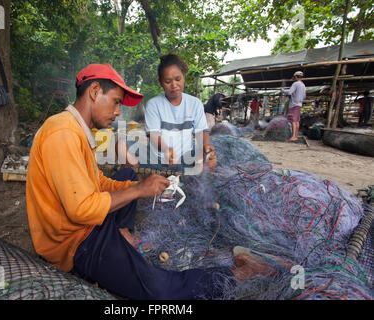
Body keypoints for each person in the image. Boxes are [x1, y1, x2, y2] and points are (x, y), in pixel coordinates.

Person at [26, 62, 293, 300]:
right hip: (75, 244)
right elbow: (81, 209)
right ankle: (241, 273)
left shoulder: (75, 131)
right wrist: (139, 190)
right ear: (95, 91)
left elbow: (98, 183)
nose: (119, 112)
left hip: (85, 226)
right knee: (161, 291)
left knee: (128, 178)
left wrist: (138, 190)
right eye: (116, 101)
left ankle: (122, 234)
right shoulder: (63, 133)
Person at [145, 53, 217, 171]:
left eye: (178, 79)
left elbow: (202, 132)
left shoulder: (195, 103)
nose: (174, 85)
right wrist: (166, 149)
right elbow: (153, 135)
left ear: (184, 77)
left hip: (186, 158)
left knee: (210, 162)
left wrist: (206, 147)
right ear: (161, 83)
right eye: (168, 81)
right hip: (159, 160)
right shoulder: (154, 104)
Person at [281, 71, 306, 141]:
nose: (293, 78)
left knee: (293, 121)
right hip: (299, 104)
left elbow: (289, 92)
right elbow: (304, 96)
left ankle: (294, 136)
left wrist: (283, 90)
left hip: (294, 104)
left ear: (296, 77)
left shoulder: (296, 84)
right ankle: (295, 135)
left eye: (294, 77)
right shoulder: (303, 85)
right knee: (297, 121)